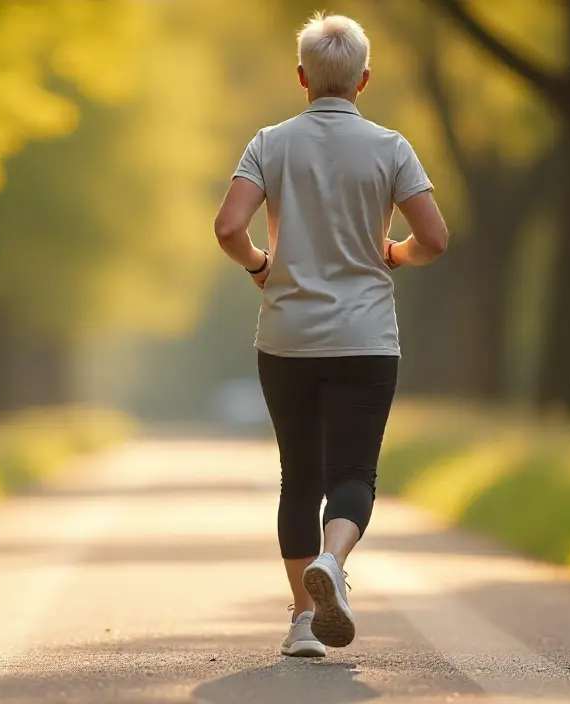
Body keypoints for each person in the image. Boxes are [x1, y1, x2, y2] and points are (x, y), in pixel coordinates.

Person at [212, 12, 450, 658]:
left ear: (302, 77)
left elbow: (229, 227)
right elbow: (433, 238)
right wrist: (395, 253)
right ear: (364, 79)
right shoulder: (391, 148)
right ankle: (334, 561)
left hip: (287, 337)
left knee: (299, 477)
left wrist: (260, 265)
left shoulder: (270, 143)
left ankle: (302, 621)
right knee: (353, 474)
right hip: (366, 338)